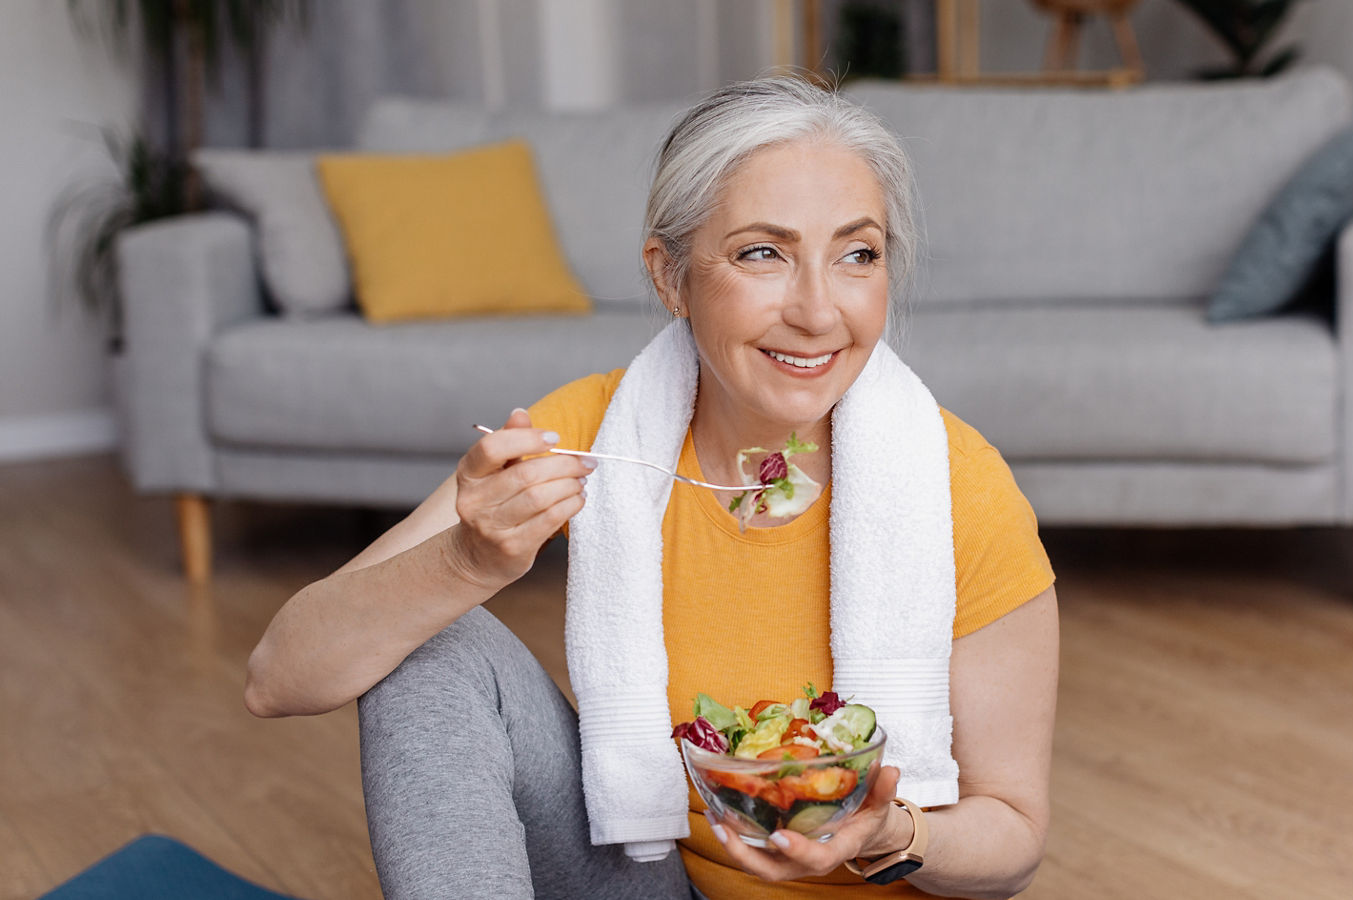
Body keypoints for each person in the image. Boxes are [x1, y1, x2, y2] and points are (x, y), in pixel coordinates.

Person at [245, 76, 1058, 900]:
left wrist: (892, 829)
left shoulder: (957, 484)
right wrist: (463, 563)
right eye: (762, 253)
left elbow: (1015, 841)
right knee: (429, 639)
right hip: (648, 882)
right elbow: (277, 677)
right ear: (671, 279)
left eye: (858, 254)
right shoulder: (598, 433)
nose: (818, 311)